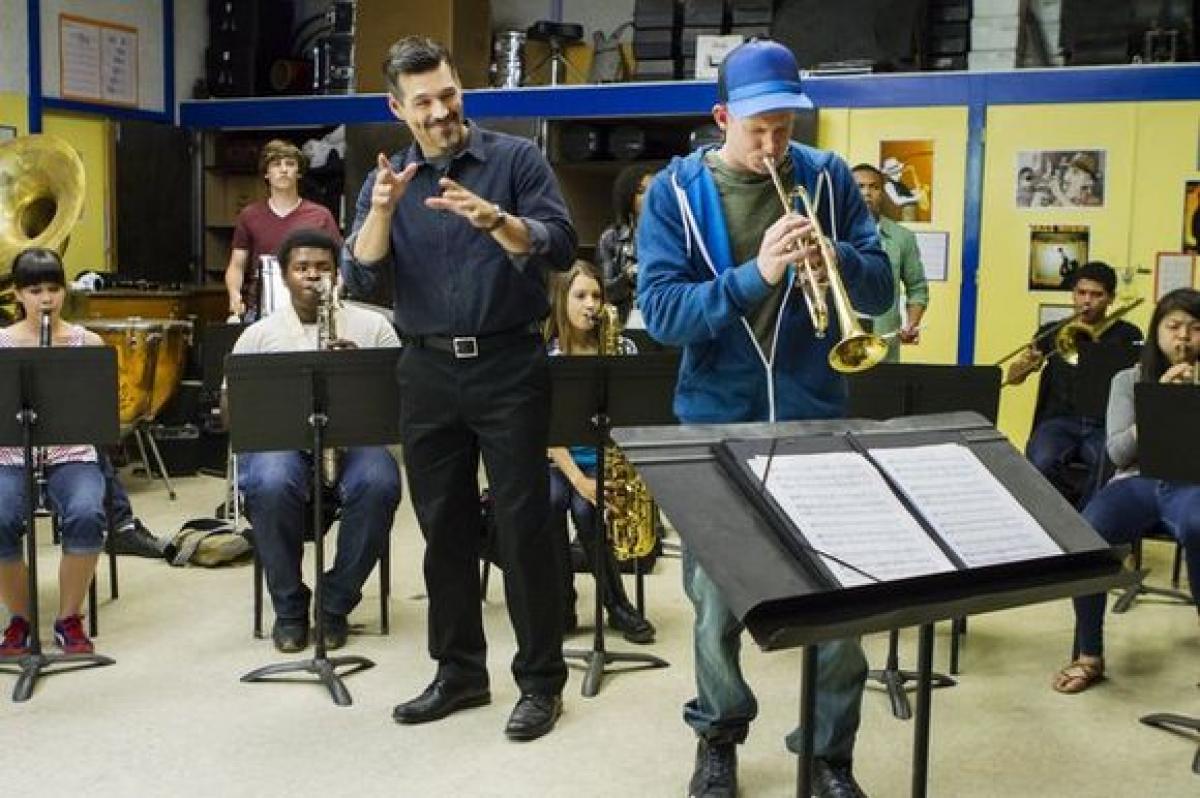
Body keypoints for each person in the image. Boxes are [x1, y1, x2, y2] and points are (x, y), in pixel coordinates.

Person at [637, 39, 893, 798]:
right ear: (723, 117)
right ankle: (718, 734)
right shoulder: (674, 193)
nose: (775, 145)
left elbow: (880, 289)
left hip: (816, 418)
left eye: (785, 127)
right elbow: (663, 315)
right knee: (716, 603)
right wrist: (760, 273)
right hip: (714, 421)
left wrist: (836, 257)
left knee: (843, 598)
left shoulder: (828, 177)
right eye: (759, 130)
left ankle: (829, 753)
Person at [345, 36, 575, 741]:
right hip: (427, 369)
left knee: (523, 525)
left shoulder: (517, 159)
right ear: (398, 108)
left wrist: (498, 220)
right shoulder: (388, 181)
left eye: (449, 94)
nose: (442, 111)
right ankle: (459, 673)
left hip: (509, 364)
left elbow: (562, 245)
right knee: (441, 525)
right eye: (425, 102)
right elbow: (359, 276)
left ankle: (540, 682)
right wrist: (383, 211)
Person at [231, 228, 401, 652]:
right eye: (301, 268)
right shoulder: (259, 334)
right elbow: (233, 410)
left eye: (322, 267)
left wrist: (357, 374)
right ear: (285, 276)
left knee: (380, 482)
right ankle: (289, 609)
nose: (312, 275)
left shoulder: (374, 327)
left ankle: (334, 605)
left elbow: (399, 401)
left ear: (337, 274)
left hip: (354, 441)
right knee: (270, 482)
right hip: (283, 441)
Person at [1052, 288, 1200, 693]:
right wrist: (1158, 404)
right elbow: (1118, 452)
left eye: (1194, 328)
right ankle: (1089, 654)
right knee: (1087, 534)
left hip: (1191, 484)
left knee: (1197, 527)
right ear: (1157, 332)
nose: (1183, 337)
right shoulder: (1127, 379)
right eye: (1173, 327)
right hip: (1136, 480)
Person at [0, 248, 109, 657]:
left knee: (86, 511)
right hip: (10, 454)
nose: (46, 299)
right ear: (17, 295)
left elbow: (99, 414)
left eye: (54, 288)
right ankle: (20, 619)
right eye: (34, 290)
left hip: (71, 453)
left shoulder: (88, 342)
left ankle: (68, 619)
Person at [543, 261, 655, 645]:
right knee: (551, 500)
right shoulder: (549, 357)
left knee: (586, 509)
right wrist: (577, 479)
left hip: (606, 459)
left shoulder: (622, 348)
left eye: (596, 295)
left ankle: (616, 604)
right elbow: (546, 430)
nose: (590, 304)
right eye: (580, 296)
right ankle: (561, 602)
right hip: (560, 461)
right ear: (562, 301)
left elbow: (637, 412)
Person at [1005, 262, 1142, 509]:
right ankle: (1058, 512)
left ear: (1110, 299)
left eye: (1097, 294)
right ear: (1073, 295)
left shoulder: (1128, 335)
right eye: (1081, 293)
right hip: (1059, 421)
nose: (1087, 301)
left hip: (1104, 424)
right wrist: (1026, 364)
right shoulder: (1053, 331)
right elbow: (1013, 379)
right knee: (1040, 462)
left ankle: (1084, 520)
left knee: (1109, 466)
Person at [225, 139, 342, 321]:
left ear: (299, 172)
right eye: (276, 164)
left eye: (290, 164)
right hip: (261, 310)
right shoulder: (249, 215)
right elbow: (237, 265)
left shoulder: (321, 215)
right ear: (266, 173)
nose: (283, 169)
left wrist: (335, 294)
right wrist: (234, 295)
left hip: (311, 309)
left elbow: (339, 265)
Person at [852, 163, 929, 362]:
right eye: (859, 187)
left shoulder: (903, 237)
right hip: (837, 344)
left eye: (874, 187)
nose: (867, 193)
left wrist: (911, 324)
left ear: (883, 192)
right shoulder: (830, 234)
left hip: (884, 346)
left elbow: (917, 288)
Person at [595, 163, 657, 326]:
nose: (650, 195)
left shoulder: (675, 234)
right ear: (628, 197)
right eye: (641, 191)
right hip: (627, 321)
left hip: (664, 319)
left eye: (655, 189)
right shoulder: (611, 238)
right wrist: (628, 276)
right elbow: (604, 291)